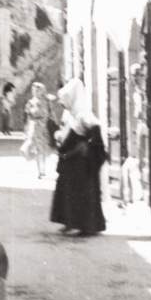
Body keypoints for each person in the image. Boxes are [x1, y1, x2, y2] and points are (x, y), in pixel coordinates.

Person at [50, 78, 107, 236]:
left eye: (66, 98)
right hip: (71, 161)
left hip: (80, 164)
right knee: (68, 191)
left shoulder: (83, 114)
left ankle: (87, 226)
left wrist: (86, 145)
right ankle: (70, 222)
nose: (63, 102)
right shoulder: (72, 115)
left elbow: (95, 126)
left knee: (82, 193)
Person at [20, 82, 52, 178]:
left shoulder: (47, 102)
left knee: (44, 150)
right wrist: (25, 131)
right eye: (34, 90)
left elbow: (51, 113)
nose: (36, 92)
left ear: (42, 91)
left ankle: (44, 169)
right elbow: (26, 118)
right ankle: (39, 171)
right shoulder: (29, 103)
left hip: (44, 128)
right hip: (34, 128)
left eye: (38, 90)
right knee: (37, 150)